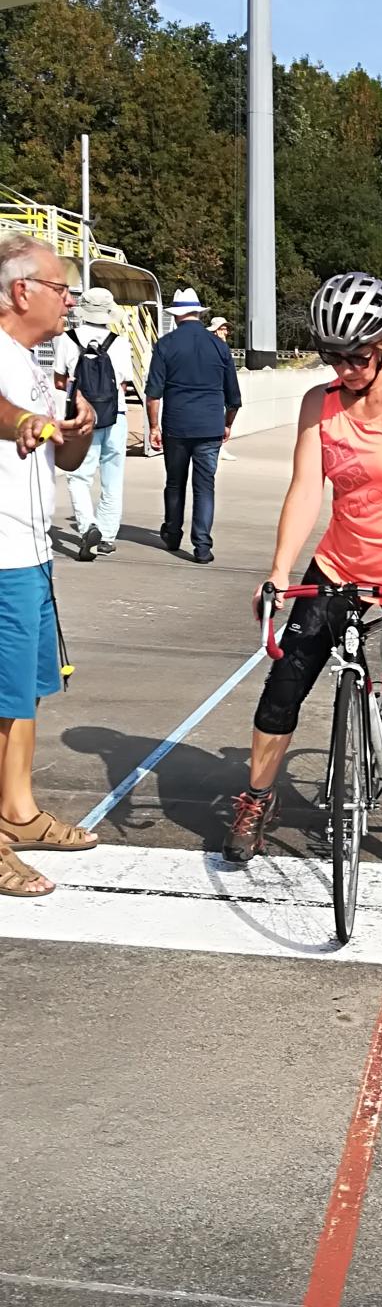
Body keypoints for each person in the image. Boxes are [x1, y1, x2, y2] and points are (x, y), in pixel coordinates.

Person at [224, 271, 382, 896]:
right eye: (334, 356)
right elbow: (307, 489)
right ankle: (256, 799)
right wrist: (278, 572)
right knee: (283, 687)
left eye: (358, 355)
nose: (347, 368)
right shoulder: (320, 404)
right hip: (339, 567)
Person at [0, 236, 98, 899]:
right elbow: (4, 417)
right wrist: (28, 421)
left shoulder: (35, 359)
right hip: (2, 558)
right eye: (61, 288)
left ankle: (18, 812)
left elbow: (53, 456)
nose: (70, 299)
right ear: (20, 291)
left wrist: (75, 433)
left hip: (32, 551)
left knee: (24, 693)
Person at [144, 286, 242, 562]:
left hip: (176, 425)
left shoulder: (165, 345)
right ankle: (202, 547)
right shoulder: (219, 346)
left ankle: (173, 534)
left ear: (176, 315)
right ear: (198, 313)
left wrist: (154, 427)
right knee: (204, 486)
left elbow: (153, 393)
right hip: (210, 426)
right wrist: (227, 424)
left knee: (175, 483)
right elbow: (234, 397)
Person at [52, 285, 133, 560]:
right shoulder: (119, 342)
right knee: (113, 478)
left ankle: (88, 528)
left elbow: (60, 381)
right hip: (116, 415)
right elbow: (122, 383)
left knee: (79, 476)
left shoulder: (67, 339)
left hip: (80, 417)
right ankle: (108, 537)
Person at [208, 318, 238, 461]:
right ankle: (217, 448)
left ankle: (219, 447)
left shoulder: (223, 347)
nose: (225, 332)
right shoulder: (216, 347)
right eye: (222, 328)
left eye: (226, 329)